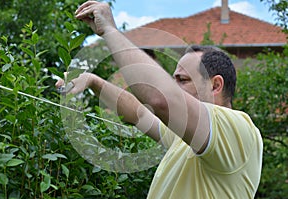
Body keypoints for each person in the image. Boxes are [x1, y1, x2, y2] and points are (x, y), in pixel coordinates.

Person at [56, 1, 263, 198]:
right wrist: (94, 82)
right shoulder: (186, 137)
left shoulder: (237, 129)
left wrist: (110, 31)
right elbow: (139, 113)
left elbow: (160, 99)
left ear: (215, 85)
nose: (175, 88)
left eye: (182, 80)